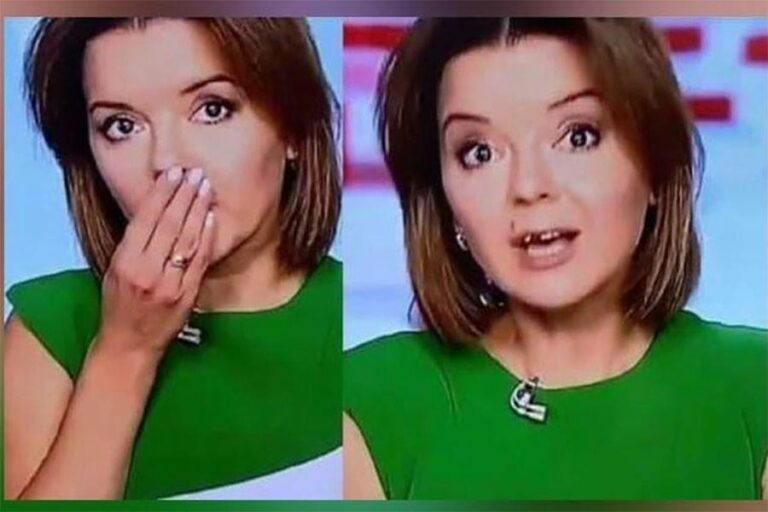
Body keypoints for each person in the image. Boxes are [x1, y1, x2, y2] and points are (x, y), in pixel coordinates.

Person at [343, 18, 767, 500]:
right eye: (479, 152)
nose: (529, 187)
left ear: (654, 164)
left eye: (578, 136)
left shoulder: (754, 386)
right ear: (444, 201)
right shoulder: (364, 402)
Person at [4, 17, 341, 499]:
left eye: (212, 109)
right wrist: (125, 352)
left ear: (292, 128)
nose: (166, 160)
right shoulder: (51, 328)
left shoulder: (361, 329)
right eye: (122, 126)